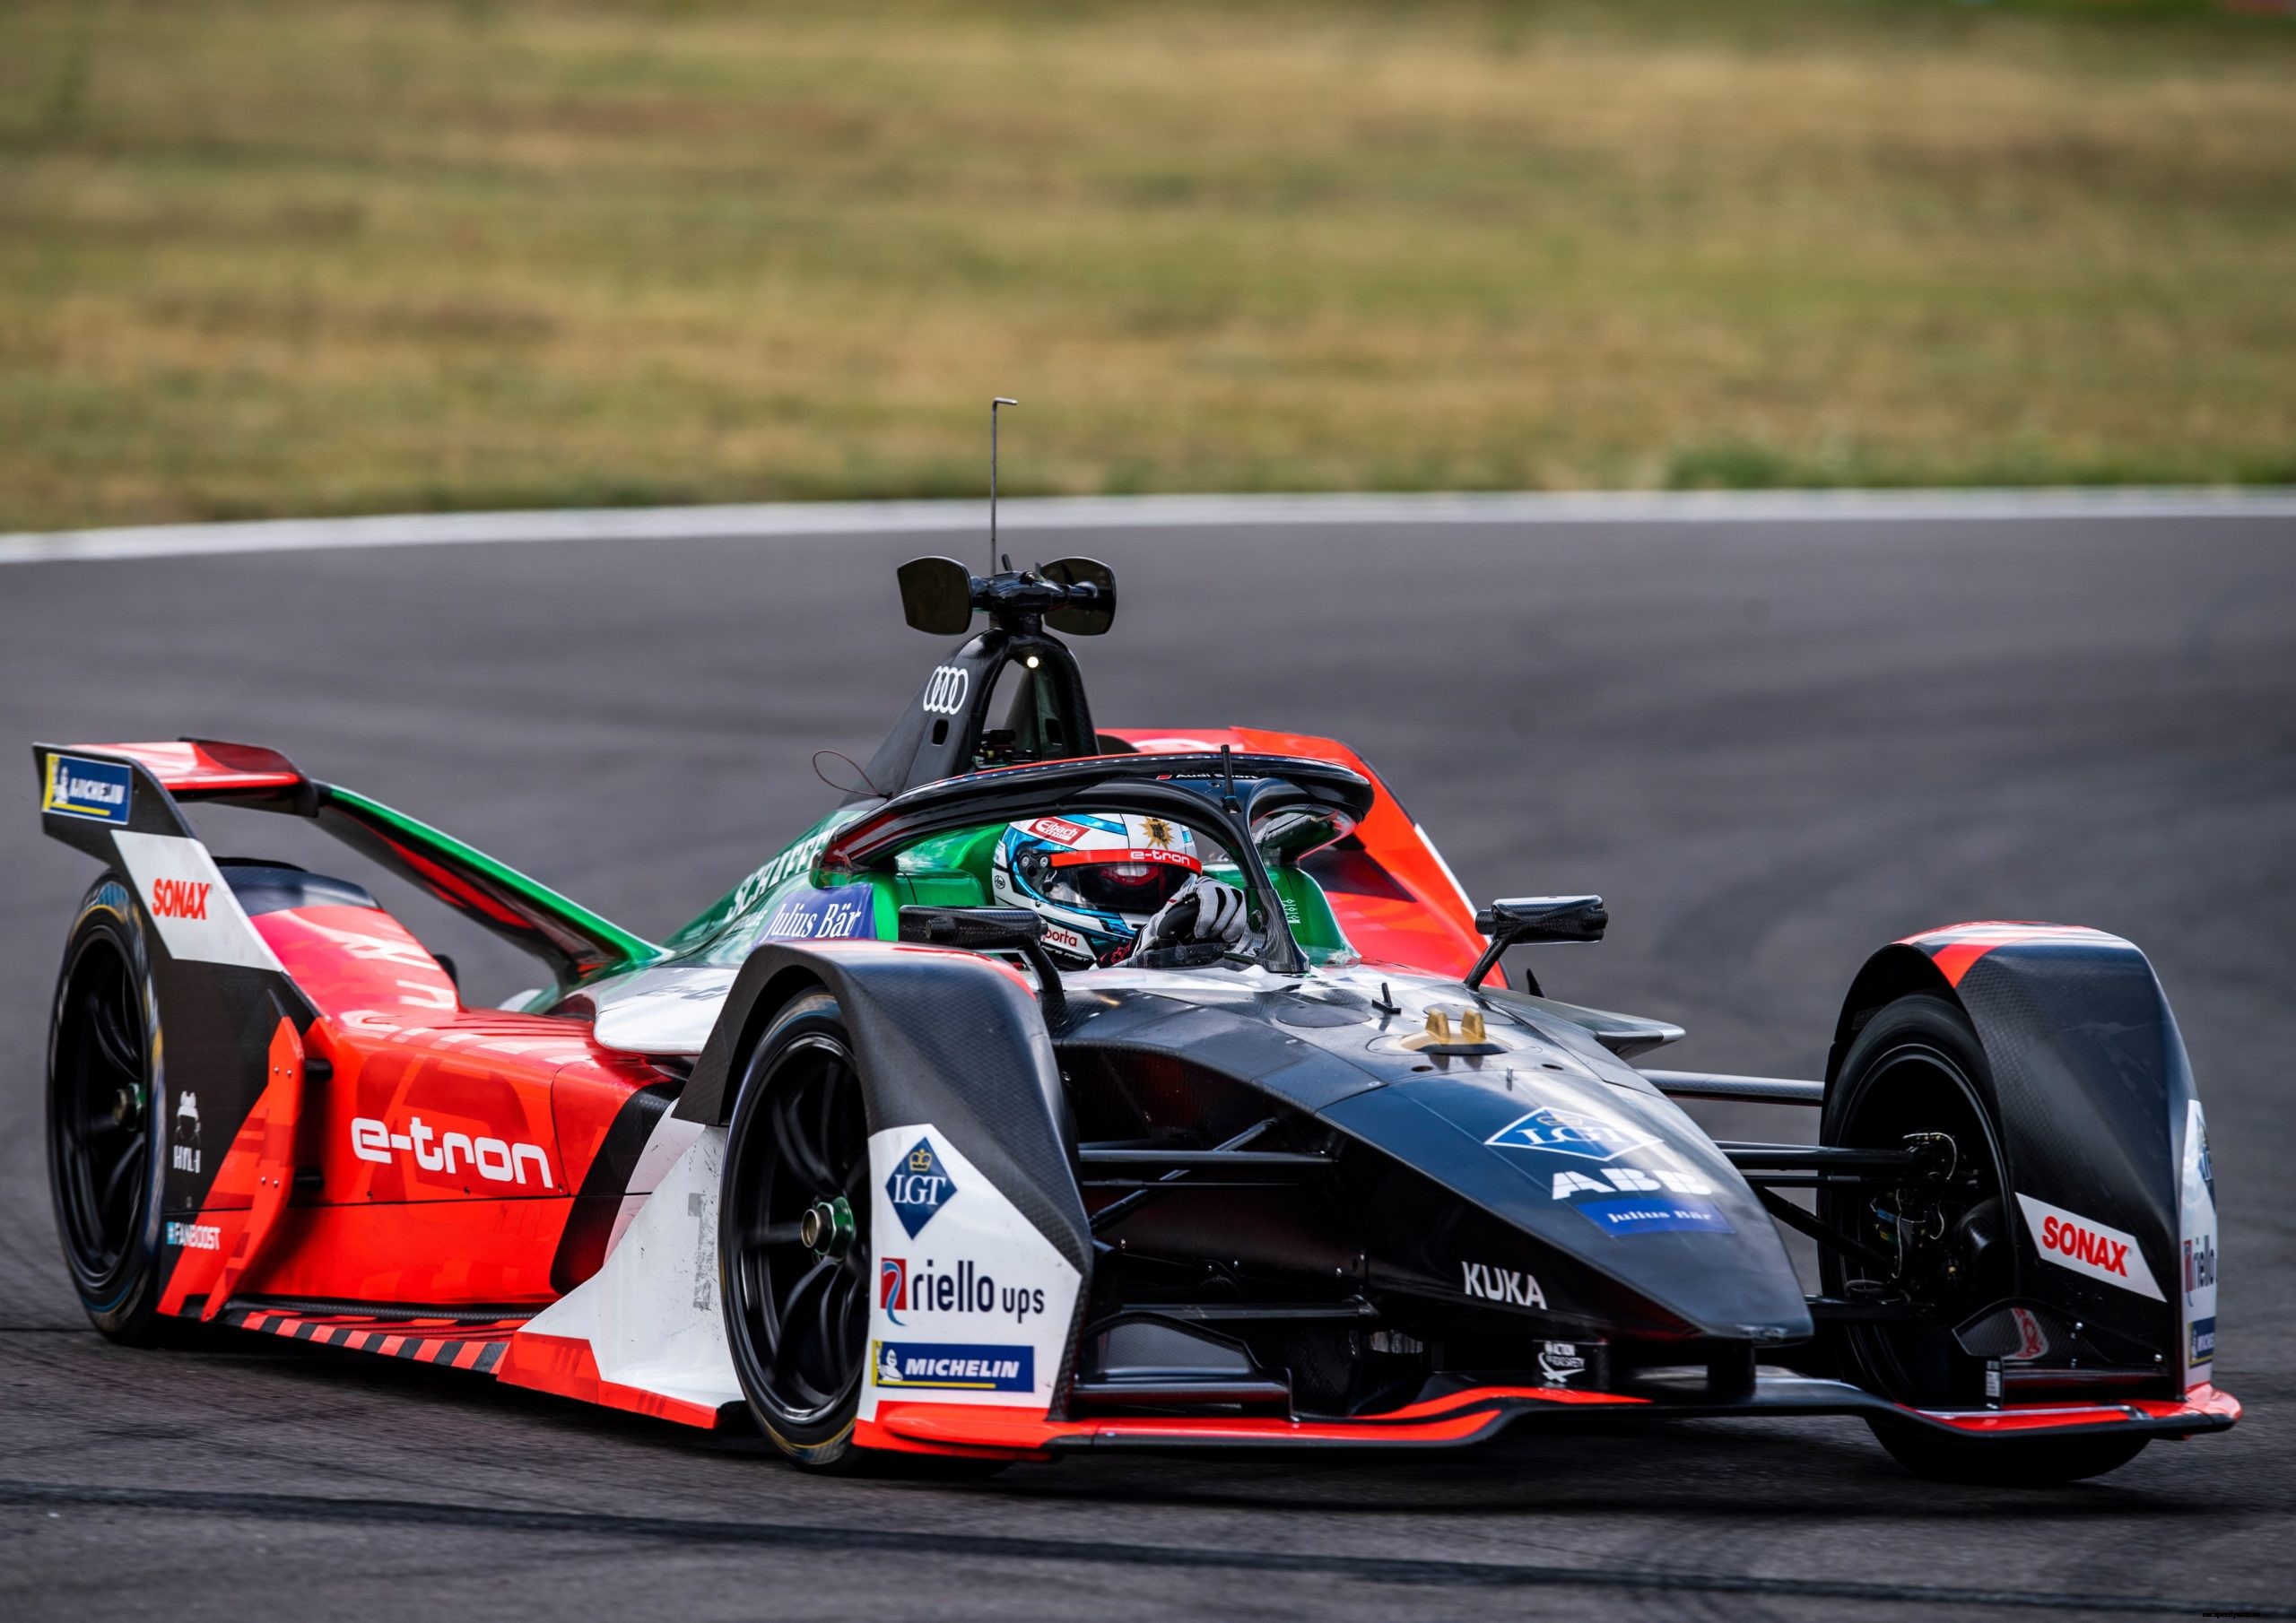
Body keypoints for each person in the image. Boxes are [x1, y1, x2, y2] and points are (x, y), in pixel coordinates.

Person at [989, 812, 1248, 968]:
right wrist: (1134, 956)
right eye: (1113, 883)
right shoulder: (989, 984)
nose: (1158, 912)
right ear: (1033, 874)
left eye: (1164, 884)